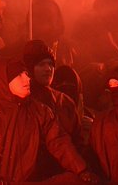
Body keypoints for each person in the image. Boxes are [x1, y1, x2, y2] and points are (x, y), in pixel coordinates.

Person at [0, 60, 94, 183]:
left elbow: (58, 142)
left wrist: (81, 169)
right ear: (4, 80)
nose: (27, 79)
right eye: (19, 75)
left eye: (26, 74)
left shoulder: (40, 111)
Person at [21, 39, 83, 178]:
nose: (48, 69)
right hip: (32, 176)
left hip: (63, 173)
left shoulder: (65, 101)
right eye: (41, 64)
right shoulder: (23, 102)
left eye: (50, 64)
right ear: (30, 69)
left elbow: (77, 140)